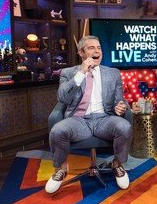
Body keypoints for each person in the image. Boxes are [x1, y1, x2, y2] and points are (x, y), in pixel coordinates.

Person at [46, 35, 132, 194]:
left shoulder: (113, 73)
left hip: (104, 119)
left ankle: (118, 164)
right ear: (81, 52)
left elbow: (118, 100)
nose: (97, 50)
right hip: (78, 120)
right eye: (91, 48)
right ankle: (61, 168)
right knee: (58, 131)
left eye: (99, 47)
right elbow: (62, 98)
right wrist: (82, 72)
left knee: (124, 127)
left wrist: (119, 107)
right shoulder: (68, 73)